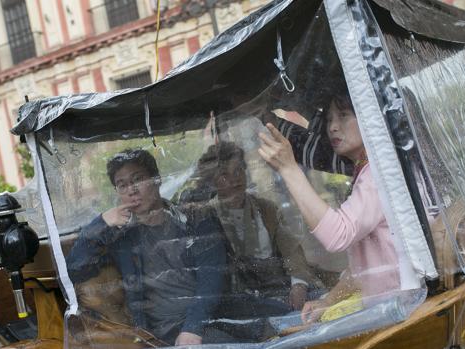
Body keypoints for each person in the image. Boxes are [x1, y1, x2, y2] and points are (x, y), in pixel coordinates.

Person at [258, 93, 401, 324]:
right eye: (329, 120)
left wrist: (288, 168)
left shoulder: (379, 172)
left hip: (401, 314)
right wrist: (328, 301)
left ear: (369, 115)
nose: (333, 127)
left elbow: (338, 234)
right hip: (384, 310)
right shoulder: (367, 169)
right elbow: (361, 270)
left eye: (343, 116)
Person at [66, 149, 228, 346]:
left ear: (157, 179)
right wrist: (101, 222)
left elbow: (212, 281)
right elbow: (76, 270)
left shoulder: (195, 220)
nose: (131, 190)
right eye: (122, 185)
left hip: (212, 320)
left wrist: (192, 328)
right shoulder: (121, 237)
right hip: (160, 332)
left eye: (138, 179)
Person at [195, 142, 322, 311]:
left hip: (279, 286)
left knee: (322, 302)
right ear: (213, 182)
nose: (235, 179)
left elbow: (292, 250)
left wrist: (298, 285)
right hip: (241, 298)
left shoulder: (266, 208)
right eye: (224, 175)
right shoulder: (207, 216)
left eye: (239, 170)